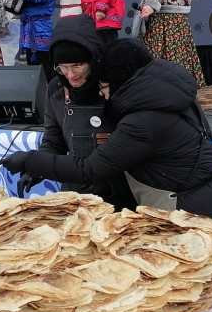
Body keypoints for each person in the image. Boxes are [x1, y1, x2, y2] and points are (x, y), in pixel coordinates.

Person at [0, 39, 212, 248]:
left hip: (194, 217)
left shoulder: (143, 122)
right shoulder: (165, 95)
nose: (103, 93)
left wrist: (30, 160)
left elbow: (91, 168)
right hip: (209, 202)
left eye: (105, 86)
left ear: (122, 82)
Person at [15, 14, 136, 211]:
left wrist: (111, 182)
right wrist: (37, 168)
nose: (70, 75)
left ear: (93, 59)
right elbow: (54, 140)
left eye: (77, 66)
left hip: (120, 193)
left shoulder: (113, 85)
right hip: (76, 191)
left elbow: (133, 145)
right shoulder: (56, 89)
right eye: (63, 67)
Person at [8, 0, 56, 83]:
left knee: (43, 62)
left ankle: (49, 92)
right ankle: (39, 92)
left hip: (40, 29)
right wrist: (20, 12)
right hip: (32, 28)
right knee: (33, 62)